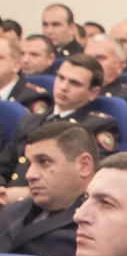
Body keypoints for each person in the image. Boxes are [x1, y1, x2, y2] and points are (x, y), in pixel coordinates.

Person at [0, 54, 119, 190]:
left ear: (93, 93)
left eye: (74, 83)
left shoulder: (97, 126)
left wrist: (26, 194)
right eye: (61, 78)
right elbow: (4, 165)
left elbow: (92, 179)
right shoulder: (30, 121)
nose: (63, 87)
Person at [0, 121, 96, 256]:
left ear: (84, 165)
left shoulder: (94, 228)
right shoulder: (12, 210)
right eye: (29, 164)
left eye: (44, 162)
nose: (29, 175)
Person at [86, 32, 127, 121]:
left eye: (100, 58)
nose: (91, 62)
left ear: (120, 65)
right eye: (87, 57)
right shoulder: (75, 91)